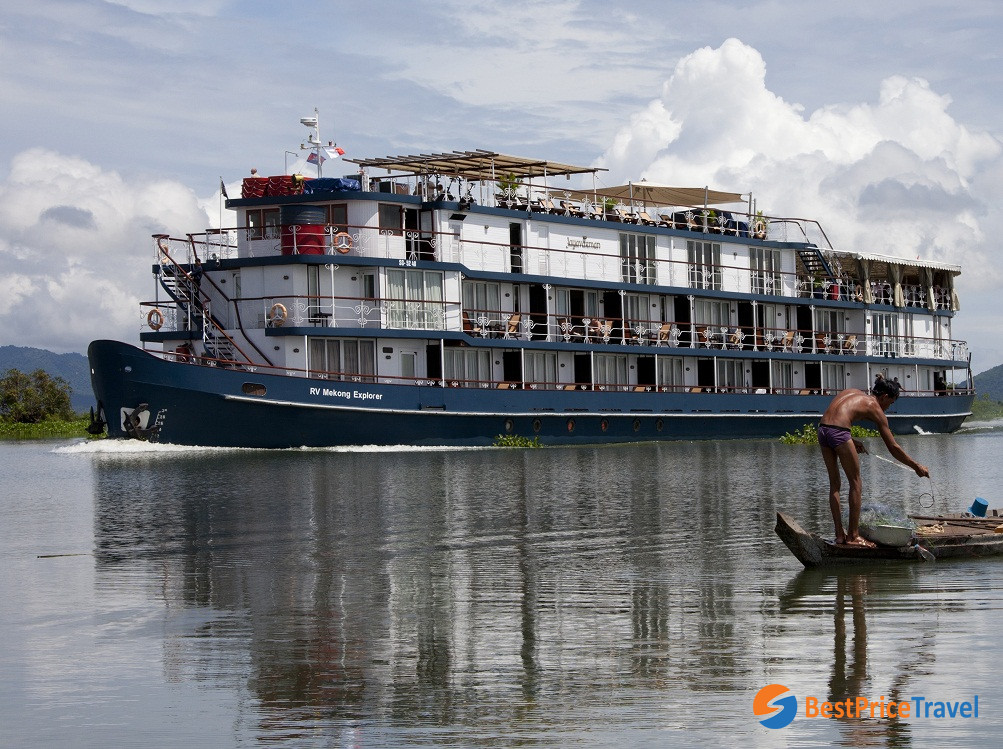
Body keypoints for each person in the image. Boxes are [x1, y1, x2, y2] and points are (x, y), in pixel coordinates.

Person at [817, 379, 930, 547]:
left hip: (823, 429)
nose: (888, 407)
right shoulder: (875, 407)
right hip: (839, 432)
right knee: (856, 483)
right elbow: (893, 447)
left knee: (835, 484)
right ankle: (853, 536)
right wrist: (916, 466)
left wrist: (851, 440)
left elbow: (835, 418)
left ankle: (840, 535)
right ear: (884, 396)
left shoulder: (853, 392)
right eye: (890, 403)